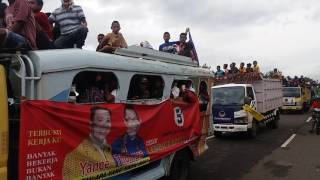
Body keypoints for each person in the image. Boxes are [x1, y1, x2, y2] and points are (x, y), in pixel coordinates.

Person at [63, 107, 116, 178]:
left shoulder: (108, 148)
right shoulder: (74, 156)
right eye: (100, 120)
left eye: (108, 120)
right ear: (91, 125)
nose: (104, 125)